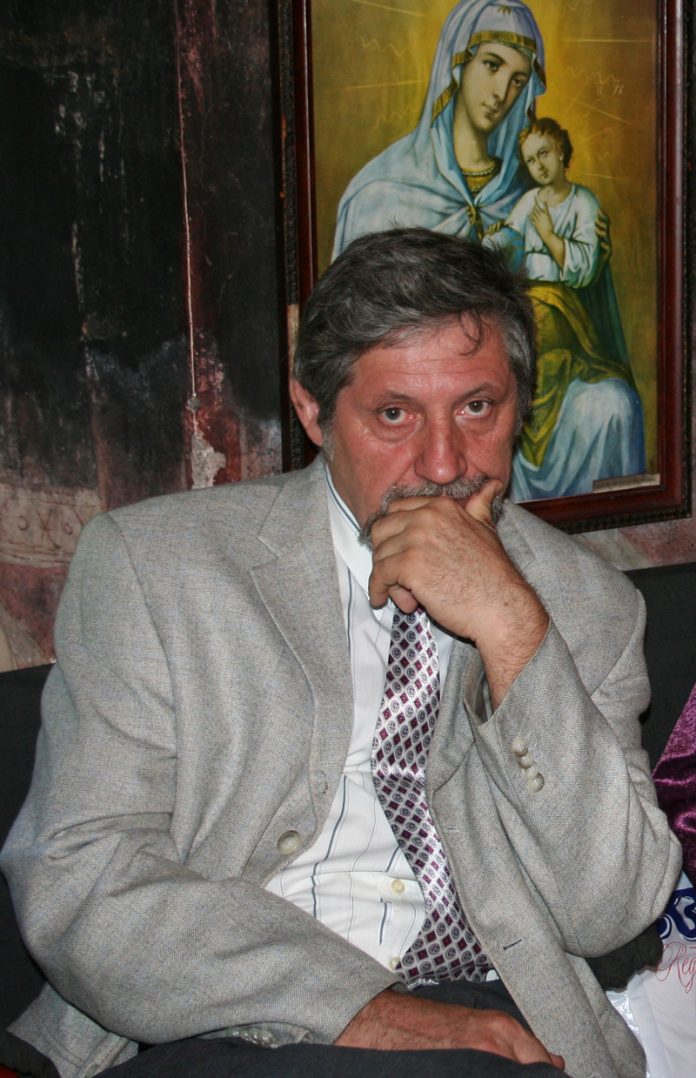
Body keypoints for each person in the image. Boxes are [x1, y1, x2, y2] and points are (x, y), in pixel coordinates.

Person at [0, 229, 680, 1078]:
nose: (443, 463)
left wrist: (513, 630)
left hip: (500, 1017)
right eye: (394, 415)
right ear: (314, 412)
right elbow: (81, 876)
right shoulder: (156, 566)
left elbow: (610, 912)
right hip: (229, 1018)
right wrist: (364, 1009)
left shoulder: (585, 605)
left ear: (522, 407)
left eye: (477, 408)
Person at [484, 117, 645, 499]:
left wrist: (548, 235)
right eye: (530, 160)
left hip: (566, 310)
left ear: (560, 151)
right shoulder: (530, 202)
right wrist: (493, 241)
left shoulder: (583, 202)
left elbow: (584, 270)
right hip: (532, 304)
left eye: (543, 154)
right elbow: (509, 242)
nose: (538, 165)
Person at [332, 0, 546, 257]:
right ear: (457, 64)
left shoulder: (529, 194)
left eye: (518, 81)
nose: (501, 93)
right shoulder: (380, 192)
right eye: (492, 65)